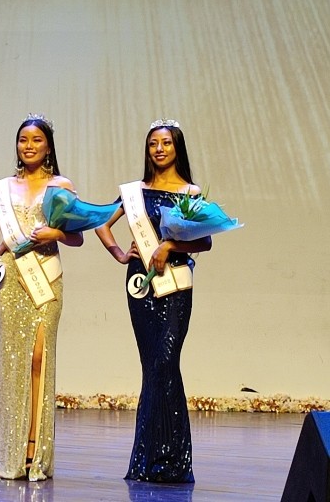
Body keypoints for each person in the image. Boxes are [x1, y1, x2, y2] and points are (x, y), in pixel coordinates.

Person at [94, 119, 212, 483]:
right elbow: (102, 223)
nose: (159, 150)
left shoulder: (190, 192)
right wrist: (118, 252)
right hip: (141, 285)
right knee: (152, 368)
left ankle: (172, 460)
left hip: (175, 285)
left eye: (166, 144)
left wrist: (170, 245)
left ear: (177, 148)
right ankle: (148, 461)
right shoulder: (135, 193)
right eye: (153, 145)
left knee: (166, 362)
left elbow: (205, 241)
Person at [0, 114, 83, 481]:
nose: (29, 145)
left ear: (48, 145)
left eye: (37, 139)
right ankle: (10, 449)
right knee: (13, 360)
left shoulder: (60, 185)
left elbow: (76, 237)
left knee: (39, 356)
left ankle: (35, 447)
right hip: (13, 282)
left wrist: (54, 233)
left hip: (46, 280)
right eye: (23, 139)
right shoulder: (2, 188)